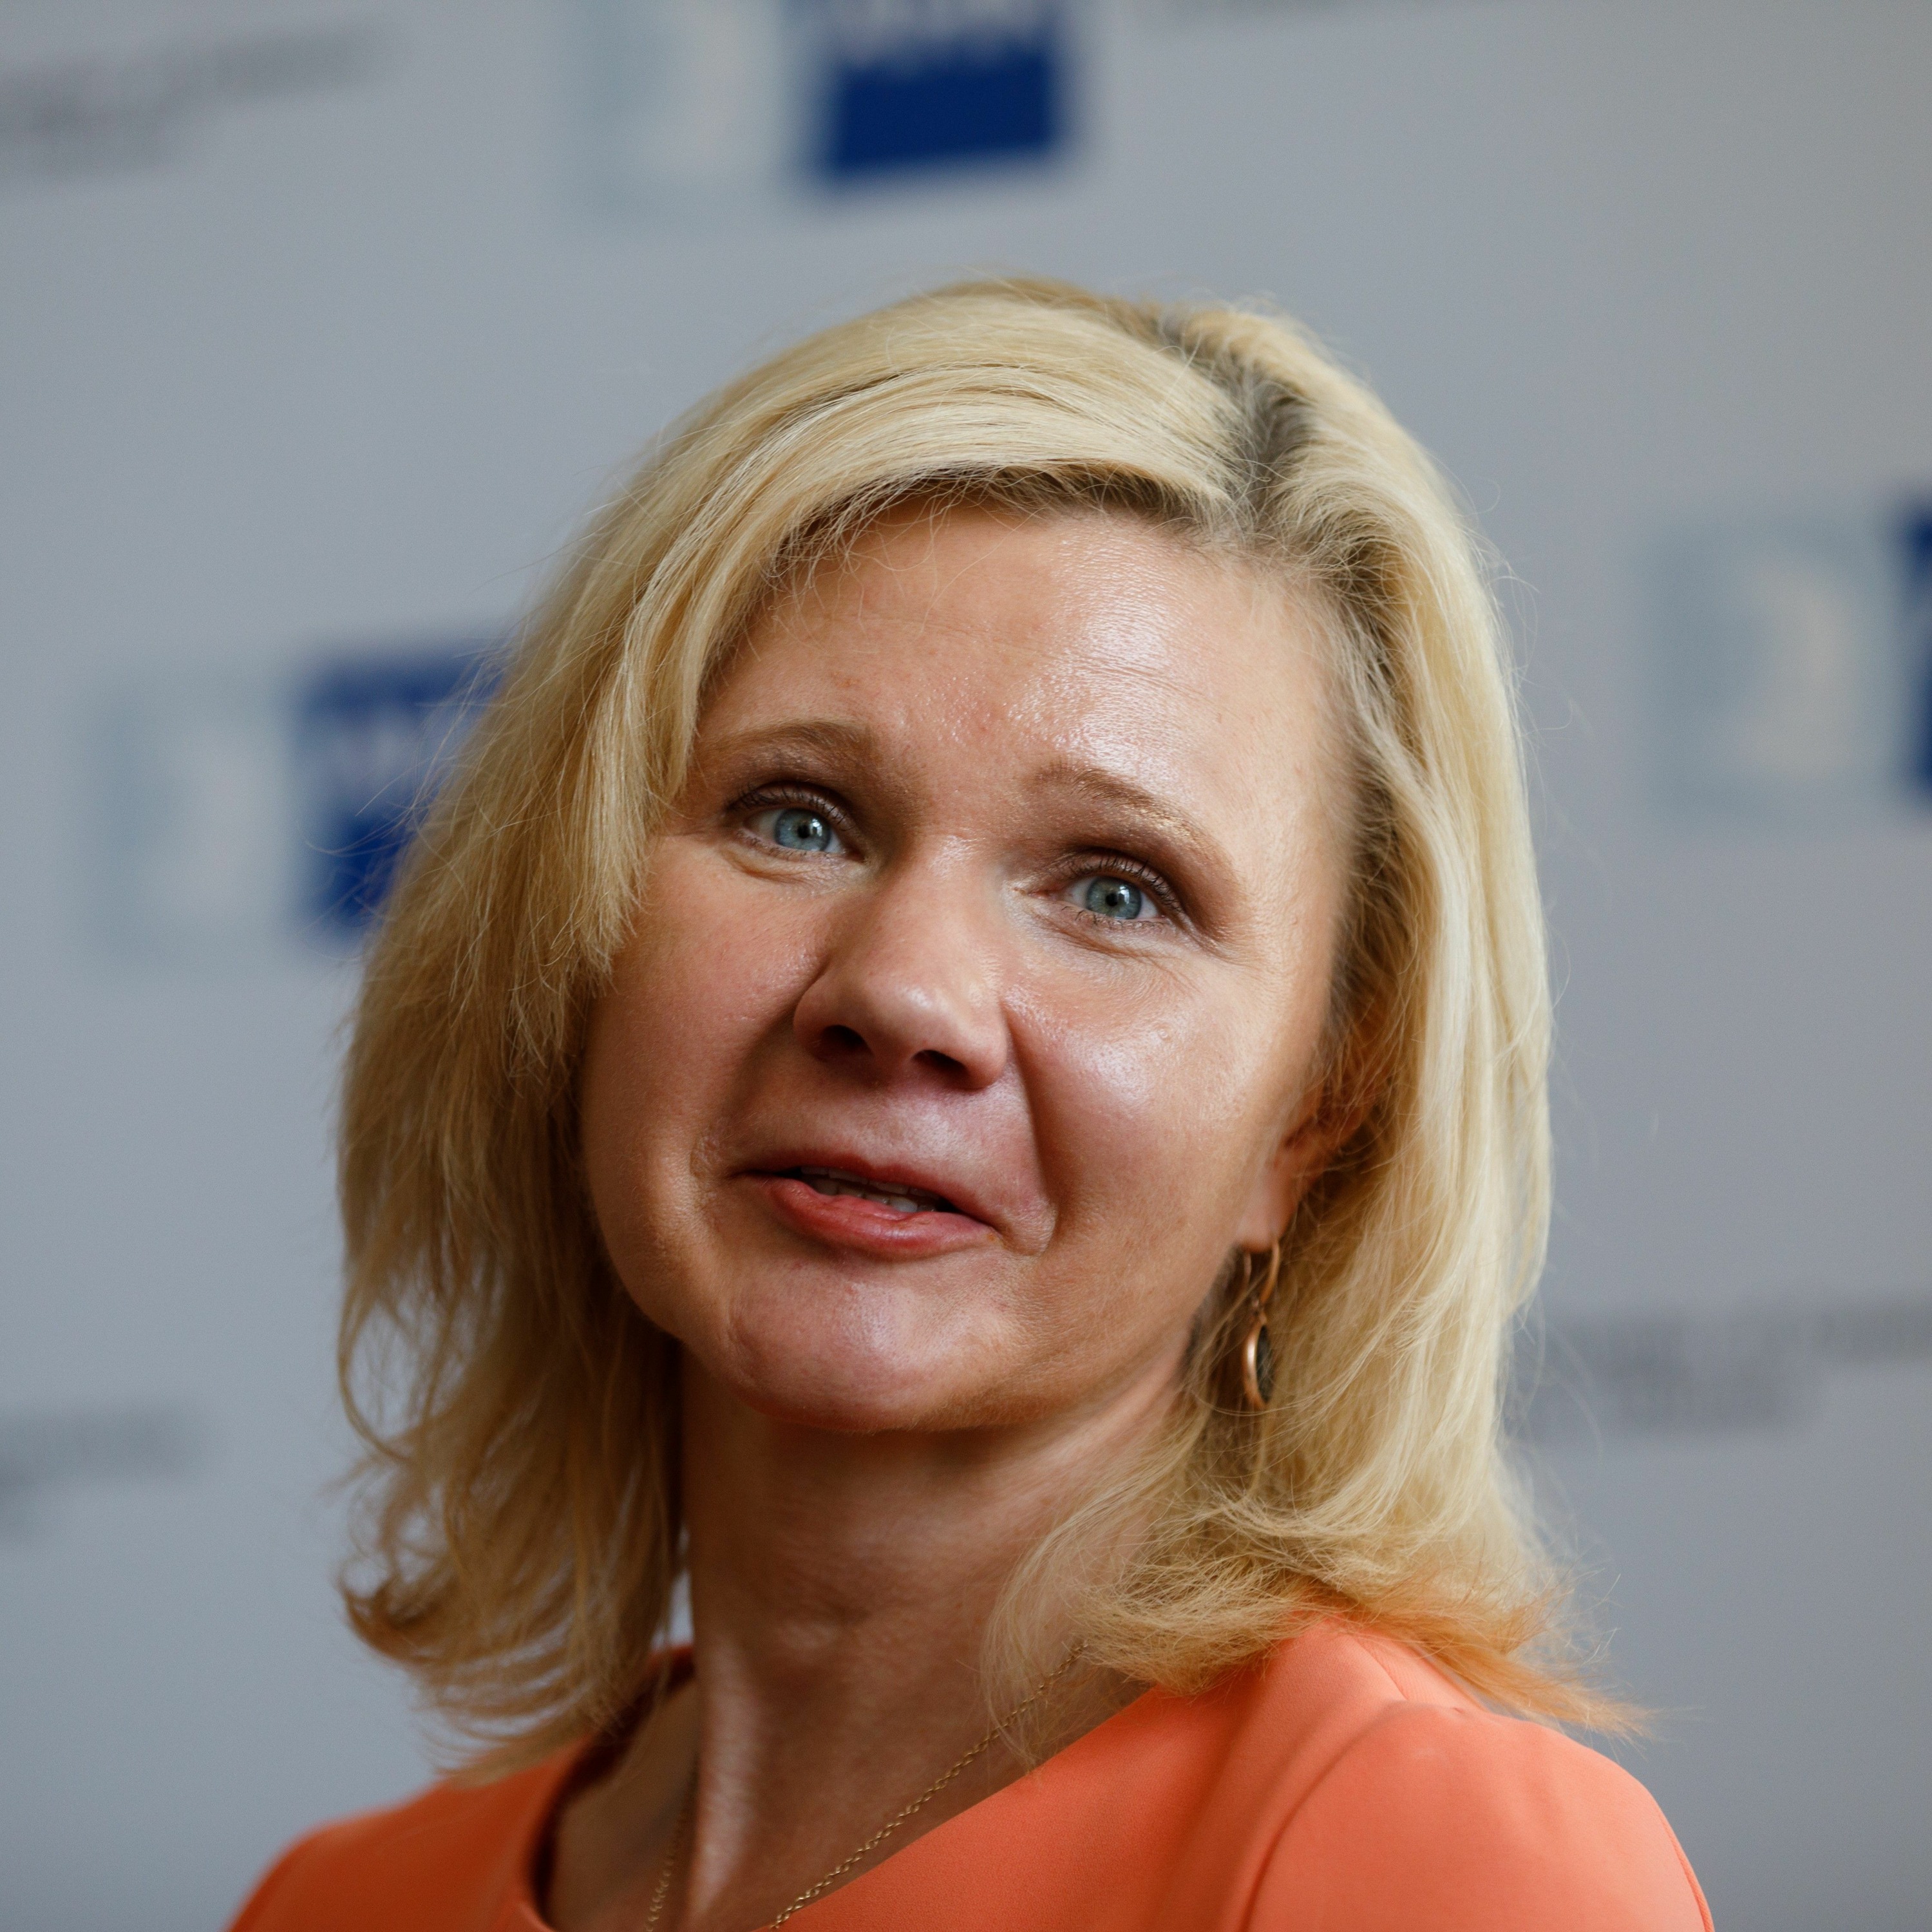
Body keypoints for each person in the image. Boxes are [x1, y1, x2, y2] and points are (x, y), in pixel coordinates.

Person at [231, 279, 1710, 1931]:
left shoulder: (1437, 1867)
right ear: (571, 931)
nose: (904, 995)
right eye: (797, 818)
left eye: (1118, 890)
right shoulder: (332, 1905)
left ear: (1316, 1116)